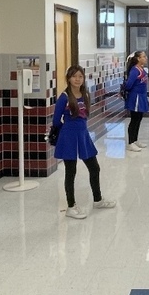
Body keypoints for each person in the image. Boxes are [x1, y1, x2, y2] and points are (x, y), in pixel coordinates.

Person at [49, 66, 116, 219]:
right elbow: (56, 121)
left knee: (94, 167)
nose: (77, 79)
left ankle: (98, 200)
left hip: (83, 134)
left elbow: (86, 116)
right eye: (74, 76)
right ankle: (71, 207)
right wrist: (64, 132)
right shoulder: (64, 97)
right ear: (68, 78)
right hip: (68, 136)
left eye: (80, 76)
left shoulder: (85, 94)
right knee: (71, 172)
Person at [123, 51, 149, 153]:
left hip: (142, 96)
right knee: (134, 120)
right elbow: (129, 84)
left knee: (139, 119)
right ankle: (130, 143)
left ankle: (135, 140)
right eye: (143, 56)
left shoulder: (141, 69)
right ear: (138, 58)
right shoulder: (135, 70)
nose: (146, 58)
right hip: (136, 98)